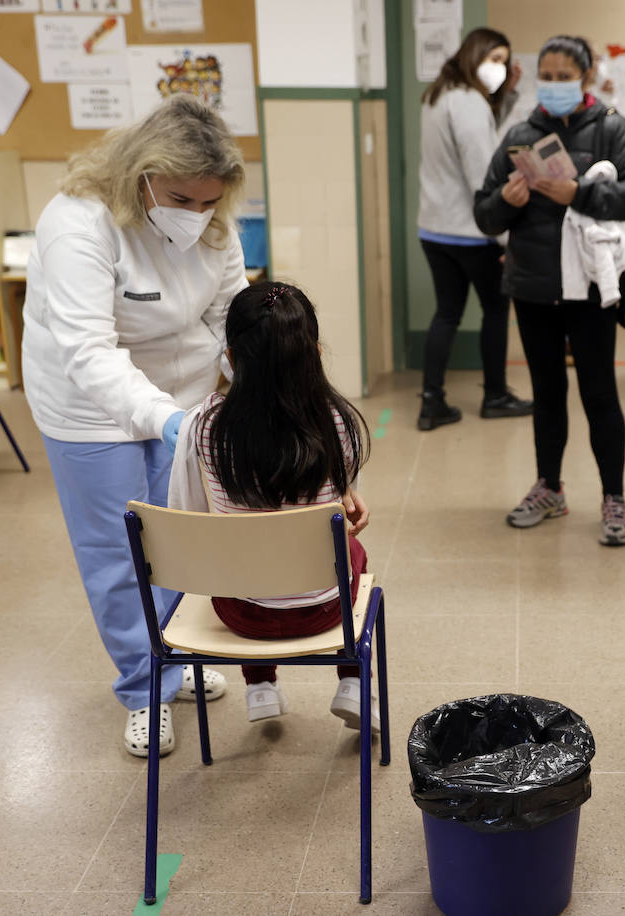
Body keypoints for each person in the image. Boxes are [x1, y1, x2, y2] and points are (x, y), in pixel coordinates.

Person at [23, 94, 247, 758]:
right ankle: (145, 685)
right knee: (118, 555)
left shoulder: (212, 223)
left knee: (175, 536)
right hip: (90, 406)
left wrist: (253, 378)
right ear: (142, 174)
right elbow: (89, 351)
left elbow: (230, 311)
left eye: (210, 202)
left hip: (181, 393)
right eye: (182, 197)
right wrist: (163, 419)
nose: (197, 214)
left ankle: (177, 655)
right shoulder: (78, 224)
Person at [474, 34, 625, 546]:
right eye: (546, 77)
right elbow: (484, 214)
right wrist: (508, 201)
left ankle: (614, 497)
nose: (553, 86)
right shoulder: (521, 133)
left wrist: (581, 193)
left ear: (586, 75)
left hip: (593, 290)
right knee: (548, 393)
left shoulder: (611, 128)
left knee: (600, 393)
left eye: (563, 77)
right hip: (533, 288)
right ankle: (549, 488)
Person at [168, 281, 378, 729]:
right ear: (316, 354)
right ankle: (354, 681)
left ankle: (260, 686)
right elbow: (341, 513)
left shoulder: (201, 425)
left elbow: (188, 522)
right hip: (326, 609)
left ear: (229, 357)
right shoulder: (338, 421)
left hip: (241, 613)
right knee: (353, 552)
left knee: (241, 554)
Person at [417, 27, 532, 430]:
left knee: (447, 312)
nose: (499, 68)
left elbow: (481, 134)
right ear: (475, 55)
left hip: (434, 228)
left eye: (504, 60)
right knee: (496, 308)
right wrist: (505, 236)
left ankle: (431, 402)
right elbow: (482, 174)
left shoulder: (440, 94)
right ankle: (496, 395)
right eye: (495, 59)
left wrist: (508, 92)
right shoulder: (468, 102)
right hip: (472, 232)